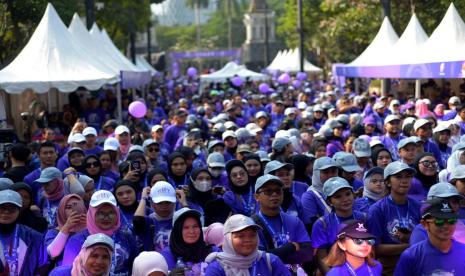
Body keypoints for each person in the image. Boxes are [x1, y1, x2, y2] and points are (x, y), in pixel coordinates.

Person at [62, 190, 137, 275]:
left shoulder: (126, 237)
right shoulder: (77, 240)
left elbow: (134, 267)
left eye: (111, 213)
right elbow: (70, 271)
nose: (106, 218)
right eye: (100, 213)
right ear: (91, 213)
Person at [368, 161, 421, 275]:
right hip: (389, 267)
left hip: (415, 263)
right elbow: (375, 248)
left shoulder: (417, 206)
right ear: (387, 182)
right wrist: (409, 246)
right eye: (398, 177)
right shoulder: (377, 210)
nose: (404, 180)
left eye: (408, 176)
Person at [251, 174, 312, 269]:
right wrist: (290, 247)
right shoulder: (251, 225)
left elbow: (307, 254)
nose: (274, 194)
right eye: (268, 191)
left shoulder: (294, 221)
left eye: (278, 190)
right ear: (256, 197)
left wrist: (274, 253)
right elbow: (258, 259)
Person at [394, 199, 465, 275]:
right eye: (439, 221)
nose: (446, 225)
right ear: (425, 224)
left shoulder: (463, 251)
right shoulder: (411, 256)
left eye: (451, 220)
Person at [312, 177, 367, 274]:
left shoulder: (363, 218)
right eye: (338, 197)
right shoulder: (322, 224)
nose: (345, 199)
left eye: (348, 194)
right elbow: (321, 258)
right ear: (329, 202)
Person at [204, 214, 290, 276]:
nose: (248, 240)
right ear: (228, 239)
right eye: (240, 236)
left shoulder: (270, 261)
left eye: (253, 235)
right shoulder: (217, 268)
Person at [0, 189, 48, 275]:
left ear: (19, 211)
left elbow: (42, 267)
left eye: (11, 208)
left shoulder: (35, 238)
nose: (6, 212)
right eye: (2, 207)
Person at [161, 208, 217, 274]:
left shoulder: (212, 251)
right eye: (186, 227)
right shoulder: (168, 254)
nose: (191, 231)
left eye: (195, 226)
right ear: (177, 231)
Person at [133, 181, 176, 252]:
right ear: (152, 203)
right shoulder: (149, 221)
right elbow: (137, 220)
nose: (164, 207)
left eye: (168, 202)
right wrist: (143, 198)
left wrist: (184, 203)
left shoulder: (179, 218)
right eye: (159, 203)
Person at [45, 194, 87, 266]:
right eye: (68, 207)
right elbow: (53, 253)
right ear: (61, 210)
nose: (73, 211)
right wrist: (66, 228)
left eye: (77, 207)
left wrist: (89, 227)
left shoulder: (89, 229)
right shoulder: (53, 232)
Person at [49, 233, 115, 276]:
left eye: (105, 257)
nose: (99, 262)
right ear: (84, 256)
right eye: (94, 256)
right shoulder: (61, 274)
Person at [301, 157, 338, 232]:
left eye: (333, 171)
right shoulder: (309, 197)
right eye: (326, 172)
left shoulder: (342, 190)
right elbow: (313, 227)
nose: (330, 175)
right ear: (316, 173)